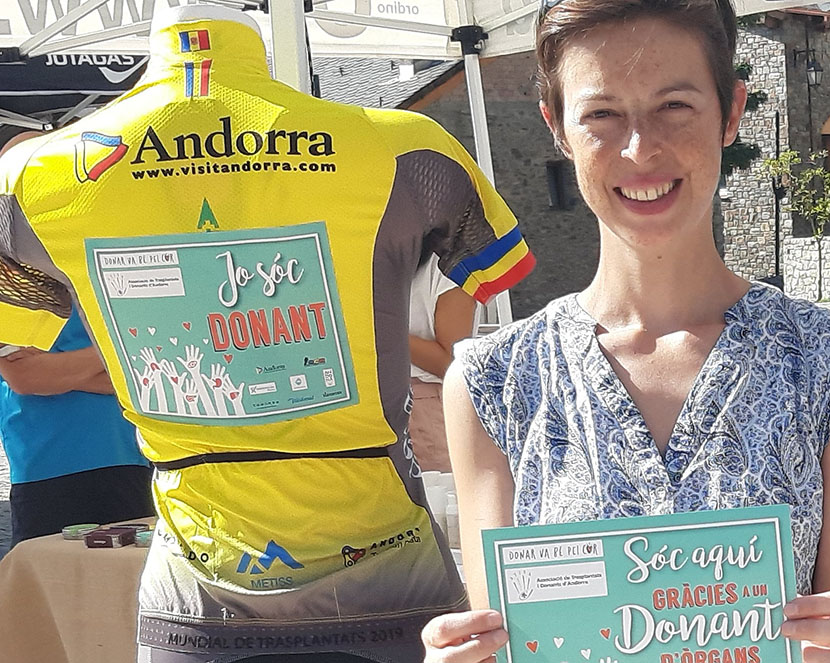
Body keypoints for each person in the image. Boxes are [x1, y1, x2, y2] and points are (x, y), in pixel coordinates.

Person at [0, 5, 533, 662]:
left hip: (198, 600)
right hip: (392, 583)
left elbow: (18, 347)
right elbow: (498, 273)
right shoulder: (407, 147)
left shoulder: (34, 174)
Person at [421, 1, 830, 663]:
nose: (640, 149)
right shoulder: (491, 382)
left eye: (674, 106)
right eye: (602, 114)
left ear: (730, 112)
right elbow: (507, 642)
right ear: (557, 127)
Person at [0, 305, 154, 548]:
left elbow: (146, 377)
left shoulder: (118, 288)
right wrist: (121, 348)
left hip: (127, 460)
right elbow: (26, 376)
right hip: (45, 467)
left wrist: (56, 371)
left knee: (127, 568)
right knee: (48, 568)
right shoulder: (13, 289)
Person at [407, 256, 477, 472]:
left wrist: (376, 328)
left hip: (424, 404)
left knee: (433, 490)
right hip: (365, 402)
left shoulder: (449, 270)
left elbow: (451, 362)